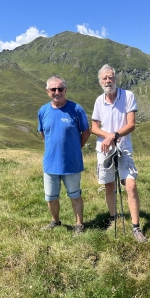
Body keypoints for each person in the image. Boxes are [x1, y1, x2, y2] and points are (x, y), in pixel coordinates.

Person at [91, 64, 147, 243]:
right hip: (105, 149)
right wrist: (107, 137)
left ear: (116, 79)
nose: (108, 81)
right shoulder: (99, 101)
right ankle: (113, 217)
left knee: (130, 185)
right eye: (105, 78)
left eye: (111, 77)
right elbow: (94, 127)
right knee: (109, 186)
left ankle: (136, 227)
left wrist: (114, 136)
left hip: (123, 147)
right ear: (100, 81)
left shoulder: (128, 96)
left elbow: (131, 124)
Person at [38, 75, 90, 234]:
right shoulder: (43, 111)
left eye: (60, 89)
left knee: (75, 196)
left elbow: (86, 132)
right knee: (51, 197)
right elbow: (43, 133)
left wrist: (75, 148)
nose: (57, 92)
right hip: (50, 163)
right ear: (48, 92)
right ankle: (55, 221)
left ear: (65, 90)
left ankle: (79, 225)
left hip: (72, 163)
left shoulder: (76, 109)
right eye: (53, 89)